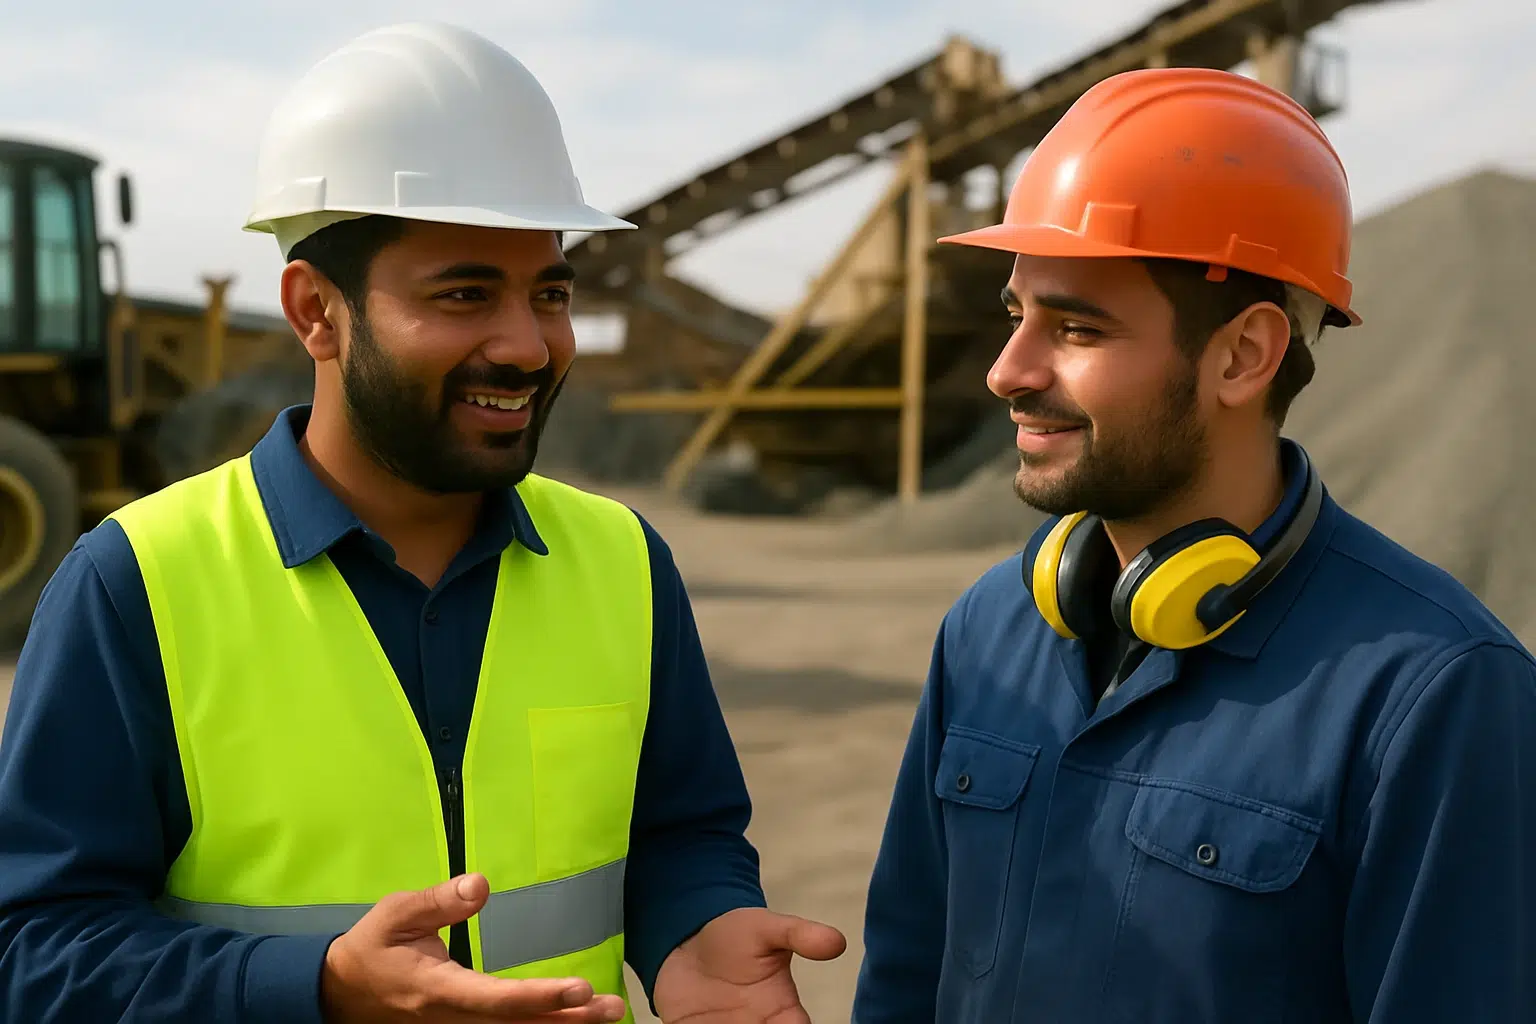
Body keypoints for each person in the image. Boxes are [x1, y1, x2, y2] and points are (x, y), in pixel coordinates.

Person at [0, 22, 845, 1024]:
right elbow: (34, 949)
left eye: (550, 292)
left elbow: (682, 831)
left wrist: (698, 926)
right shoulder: (137, 582)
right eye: (464, 294)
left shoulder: (622, 561)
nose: (528, 345)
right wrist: (313, 987)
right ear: (316, 311)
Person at [851, 66, 1536, 1023]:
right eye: (1018, 315)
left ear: (1244, 355)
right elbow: (905, 976)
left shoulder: (1437, 692)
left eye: (1077, 327)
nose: (1009, 372)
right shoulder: (987, 631)